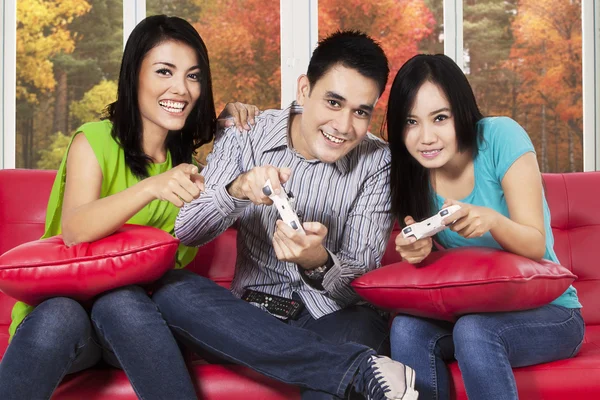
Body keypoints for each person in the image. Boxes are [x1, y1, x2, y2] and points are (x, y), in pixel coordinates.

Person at [0, 15, 258, 400]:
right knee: (61, 313)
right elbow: (75, 229)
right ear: (134, 75)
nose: (181, 88)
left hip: (136, 326)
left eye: (193, 76)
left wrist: (230, 122)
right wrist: (151, 188)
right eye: (164, 72)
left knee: (122, 300)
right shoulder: (95, 140)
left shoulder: (188, 165)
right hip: (69, 327)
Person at [150, 31, 419, 400]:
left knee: (357, 330)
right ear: (304, 91)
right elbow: (187, 231)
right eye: (333, 102)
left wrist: (318, 262)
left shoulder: (378, 161)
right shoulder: (246, 133)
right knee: (171, 291)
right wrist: (237, 190)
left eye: (361, 111)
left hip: (334, 316)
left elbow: (361, 279)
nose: (344, 126)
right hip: (251, 317)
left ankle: (339, 366)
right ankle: (355, 368)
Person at [385, 54, 584, 400]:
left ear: (461, 111)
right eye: (411, 122)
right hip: (474, 309)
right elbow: (440, 269)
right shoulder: (412, 171)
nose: (426, 137)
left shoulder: (499, 136)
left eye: (440, 118)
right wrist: (417, 251)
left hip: (552, 312)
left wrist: (492, 220)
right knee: (405, 329)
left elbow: (536, 244)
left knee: (474, 331)